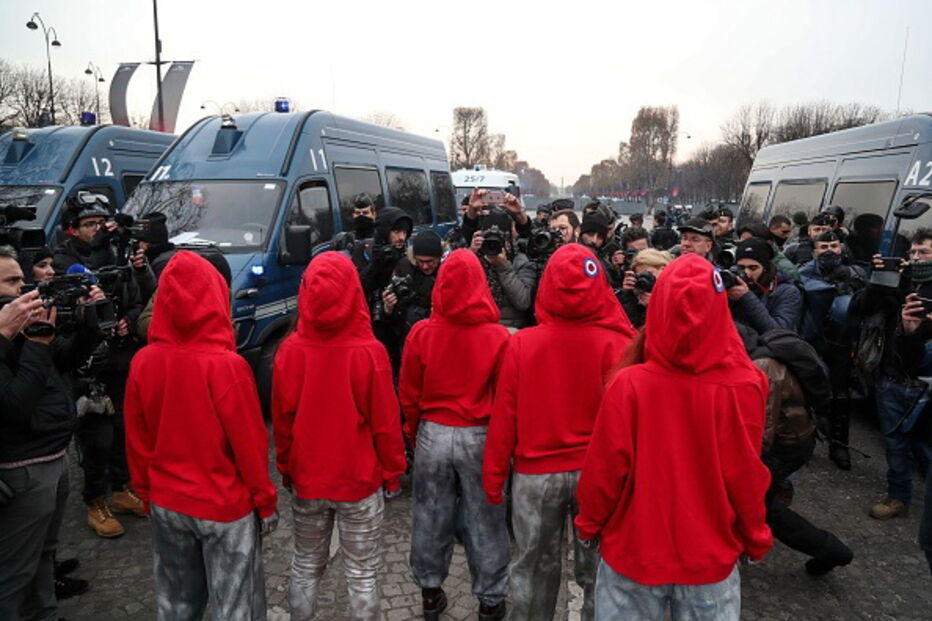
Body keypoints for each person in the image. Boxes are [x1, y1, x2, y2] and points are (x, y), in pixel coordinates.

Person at [575, 254, 772, 621]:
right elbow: (745, 475)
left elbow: (605, 469)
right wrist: (754, 534)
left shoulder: (629, 384)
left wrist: (589, 524)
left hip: (634, 552)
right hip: (707, 558)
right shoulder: (745, 385)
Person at [484, 244, 635, 621]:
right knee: (597, 570)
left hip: (536, 476)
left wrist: (493, 477)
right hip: (596, 476)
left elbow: (505, 415)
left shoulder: (522, 344)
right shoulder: (620, 344)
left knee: (533, 568)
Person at [124, 251, 278, 620]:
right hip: (224, 507)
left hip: (168, 502)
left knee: (176, 603)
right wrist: (265, 499)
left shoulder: (143, 362)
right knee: (235, 606)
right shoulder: (227, 367)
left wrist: (145, 492)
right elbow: (249, 444)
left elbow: (137, 439)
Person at [272, 251, 405, 621]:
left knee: (304, 564)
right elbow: (385, 424)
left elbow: (282, 422)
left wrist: (286, 467)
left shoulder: (288, 352)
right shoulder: (370, 353)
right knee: (362, 572)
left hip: (308, 478)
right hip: (359, 480)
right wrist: (392, 473)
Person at [400, 249, 510, 621]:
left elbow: (409, 391)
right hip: (479, 433)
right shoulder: (499, 338)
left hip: (434, 431)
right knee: (486, 517)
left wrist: (414, 432)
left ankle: (430, 591)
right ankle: (490, 599)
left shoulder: (422, 333)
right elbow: (507, 395)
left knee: (430, 515)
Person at [0, 245, 102, 619]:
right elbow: (13, 407)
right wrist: (35, 345)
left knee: (44, 554)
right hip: (22, 466)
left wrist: (90, 319)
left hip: (52, 454)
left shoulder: (25, 328)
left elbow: (67, 358)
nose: (24, 289)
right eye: (12, 282)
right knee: (15, 572)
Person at [54, 192, 147, 537]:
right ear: (72, 229)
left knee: (123, 427)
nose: (96, 229)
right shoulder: (64, 261)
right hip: (87, 361)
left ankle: (121, 487)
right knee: (96, 436)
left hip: (120, 356)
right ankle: (94, 499)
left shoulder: (116, 254)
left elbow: (137, 297)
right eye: (88, 224)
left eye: (99, 223)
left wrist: (129, 319)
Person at [741, 326, 854, 576]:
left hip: (785, 448)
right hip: (793, 441)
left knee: (761, 505)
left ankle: (831, 551)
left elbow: (763, 435)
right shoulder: (762, 352)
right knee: (757, 503)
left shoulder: (762, 366)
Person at [853, 231, 932, 526]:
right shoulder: (899, 281)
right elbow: (861, 309)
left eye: (923, 252)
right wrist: (879, 279)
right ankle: (898, 498)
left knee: (925, 447)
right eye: (913, 252)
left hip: (926, 384)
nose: (915, 258)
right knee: (894, 443)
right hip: (891, 378)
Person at [798, 231, 866, 469]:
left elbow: (864, 306)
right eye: (823, 245)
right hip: (811, 341)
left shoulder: (855, 273)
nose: (829, 250)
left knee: (841, 396)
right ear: (815, 250)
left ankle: (839, 445)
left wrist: (849, 283)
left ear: (841, 248)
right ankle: (805, 443)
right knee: (804, 394)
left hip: (841, 343)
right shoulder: (804, 272)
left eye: (834, 245)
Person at [379, 230, 443, 372]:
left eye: (430, 262)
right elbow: (390, 321)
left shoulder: (447, 272)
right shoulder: (403, 270)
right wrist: (388, 308)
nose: (425, 266)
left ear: (439, 258)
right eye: (421, 261)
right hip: (409, 338)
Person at [469, 208, 536, 330]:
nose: (493, 244)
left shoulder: (520, 261)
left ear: (508, 241)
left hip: (509, 332)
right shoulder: (474, 260)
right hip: (478, 330)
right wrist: (470, 254)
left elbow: (523, 302)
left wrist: (504, 268)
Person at [728, 237, 803, 335]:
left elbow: (779, 332)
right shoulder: (731, 287)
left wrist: (746, 297)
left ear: (765, 269)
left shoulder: (787, 292)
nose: (747, 273)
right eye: (741, 268)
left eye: (753, 268)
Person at [617, 249, 673, 329]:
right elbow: (627, 326)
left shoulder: (676, 293)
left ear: (663, 269)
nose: (644, 279)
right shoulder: (636, 295)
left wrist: (656, 306)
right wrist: (627, 295)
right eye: (639, 275)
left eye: (648, 273)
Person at [736, 222, 800, 283]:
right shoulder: (738, 261)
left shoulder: (786, 270)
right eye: (741, 243)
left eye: (750, 243)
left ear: (768, 243)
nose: (744, 248)